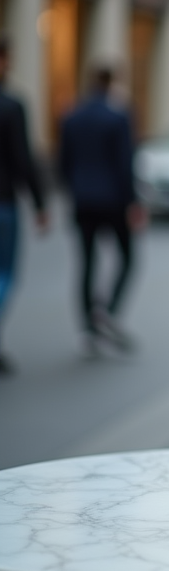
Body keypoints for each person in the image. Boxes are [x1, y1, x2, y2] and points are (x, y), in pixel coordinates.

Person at [59, 66, 141, 353]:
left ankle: (88, 327)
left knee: (86, 263)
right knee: (128, 257)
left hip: (83, 200)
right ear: (112, 84)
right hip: (114, 201)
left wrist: (75, 190)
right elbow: (124, 164)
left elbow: (64, 163)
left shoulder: (71, 116)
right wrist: (133, 202)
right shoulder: (118, 117)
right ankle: (108, 311)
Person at [0, 36, 49, 375]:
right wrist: (39, 203)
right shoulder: (11, 105)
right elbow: (22, 158)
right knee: (3, 274)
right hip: (2, 203)